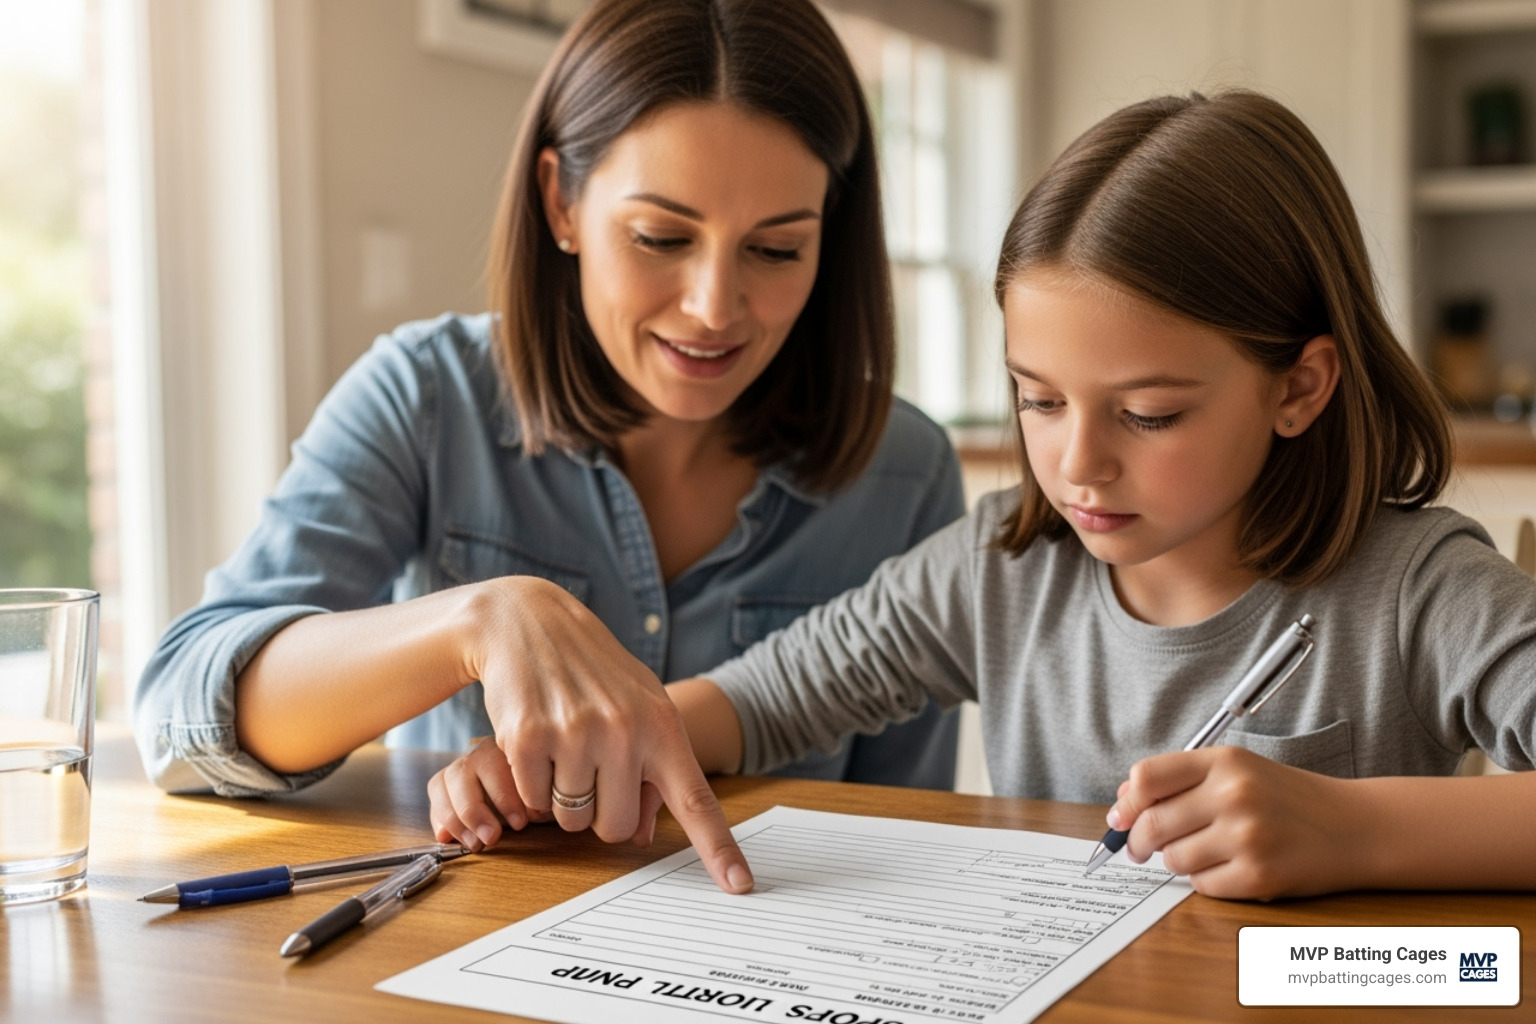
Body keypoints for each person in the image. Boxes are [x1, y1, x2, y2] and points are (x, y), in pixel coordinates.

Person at [429, 90, 1536, 901]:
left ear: (1299, 387)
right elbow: (763, 700)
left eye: (1149, 414)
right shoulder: (1005, 564)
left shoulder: (1419, 587)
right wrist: (566, 758)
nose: (1078, 466)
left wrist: (1356, 830)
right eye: (1039, 401)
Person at [131, 0, 964, 814]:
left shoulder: (905, 470)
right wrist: (476, 622)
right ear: (561, 202)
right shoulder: (426, 396)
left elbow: (908, 821)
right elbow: (180, 713)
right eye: (661, 238)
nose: (716, 305)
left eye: (777, 249)